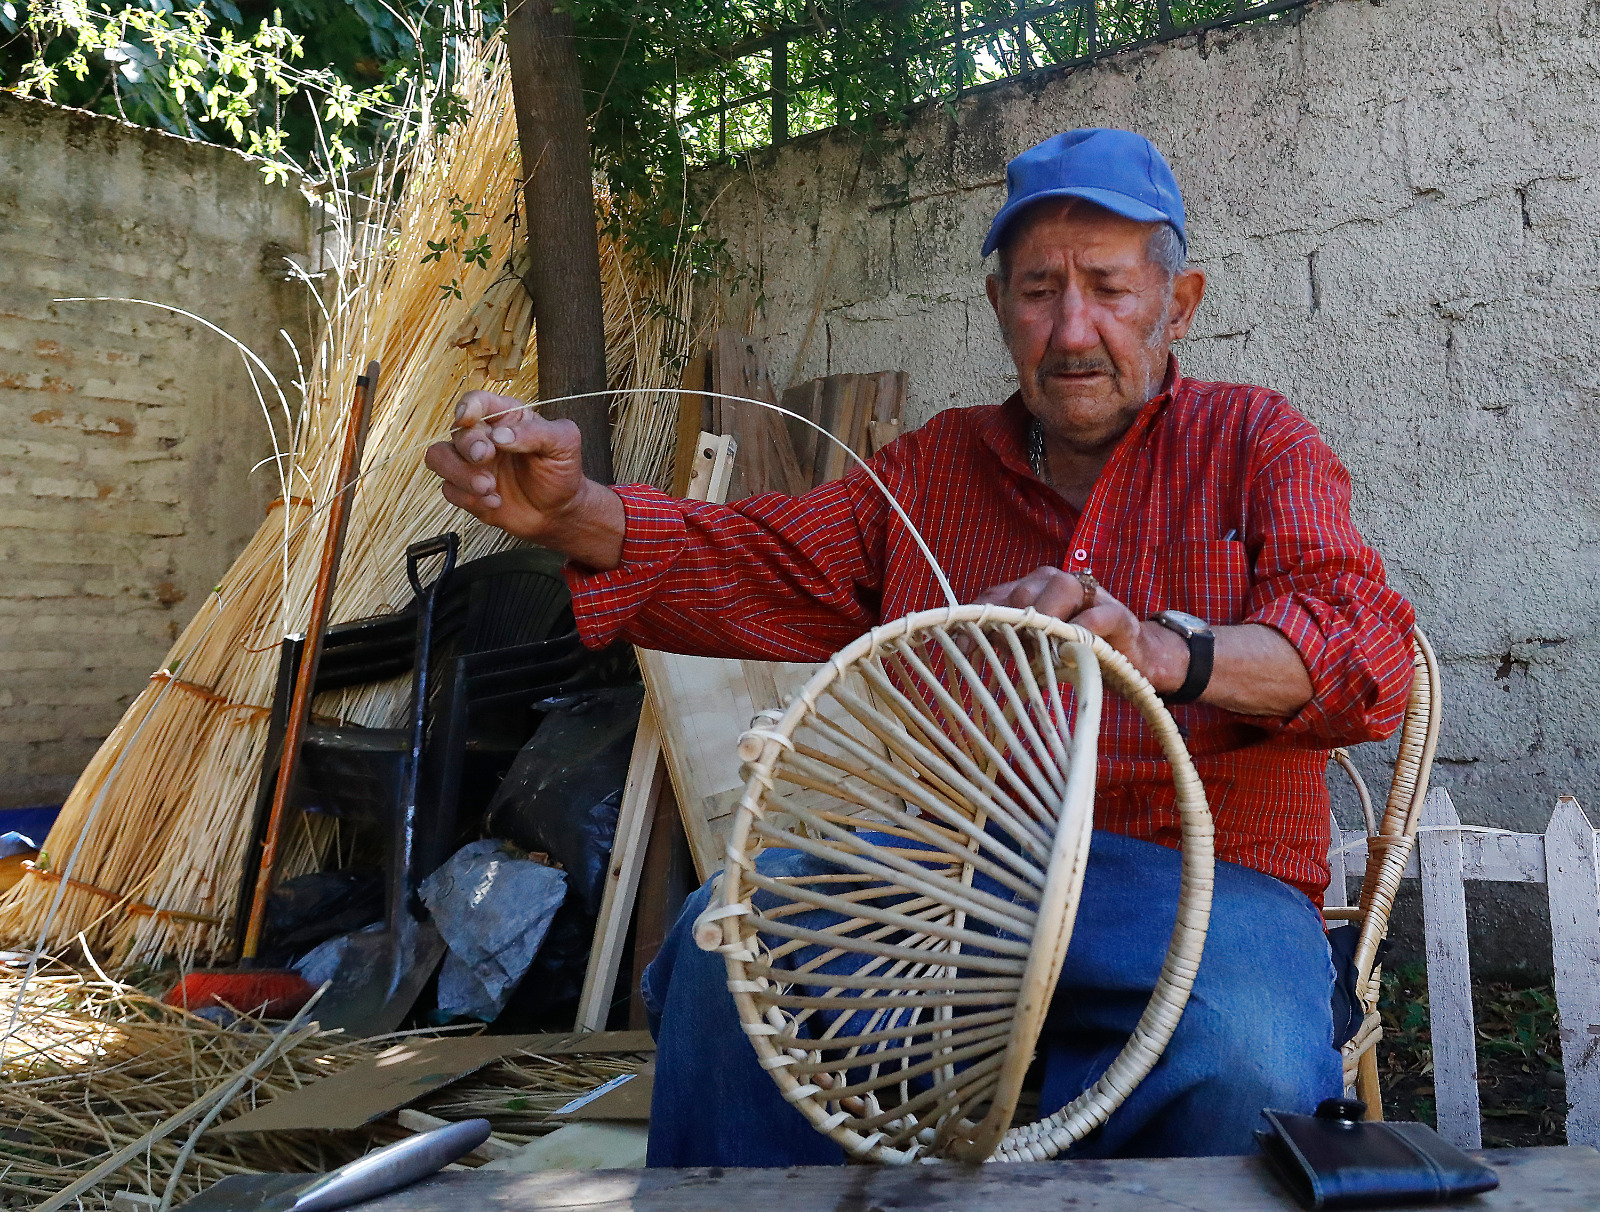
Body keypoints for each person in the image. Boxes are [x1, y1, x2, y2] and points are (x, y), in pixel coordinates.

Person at [425, 127, 1416, 1163]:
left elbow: (1363, 653)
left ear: (1180, 301)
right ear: (998, 308)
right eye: (1038, 290)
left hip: (1214, 895)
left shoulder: (1257, 442)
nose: (1073, 329)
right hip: (960, 887)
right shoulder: (935, 471)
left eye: (1110, 290)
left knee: (1243, 1049)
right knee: (732, 952)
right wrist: (572, 511)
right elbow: (754, 560)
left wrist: (1171, 650)